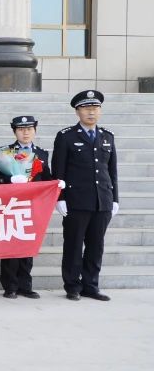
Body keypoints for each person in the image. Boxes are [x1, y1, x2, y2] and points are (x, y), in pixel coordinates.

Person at [52, 90, 118, 302]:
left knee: (96, 245)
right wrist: (60, 197)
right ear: (77, 111)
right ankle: (72, 285)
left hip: (102, 201)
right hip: (76, 201)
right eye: (86, 108)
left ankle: (91, 285)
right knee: (73, 245)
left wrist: (115, 199)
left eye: (95, 108)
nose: (91, 112)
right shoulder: (66, 136)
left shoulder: (107, 136)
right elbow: (58, 170)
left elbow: (112, 171)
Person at [0, 115, 53, 299]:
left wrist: (56, 185)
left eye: (29, 129)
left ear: (35, 131)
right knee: (10, 246)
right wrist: (9, 179)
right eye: (21, 129)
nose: (25, 133)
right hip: (11, 205)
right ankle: (10, 286)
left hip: (32, 205)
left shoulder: (42, 153)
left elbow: (46, 177)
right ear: (14, 132)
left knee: (27, 246)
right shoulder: (5, 153)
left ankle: (25, 285)